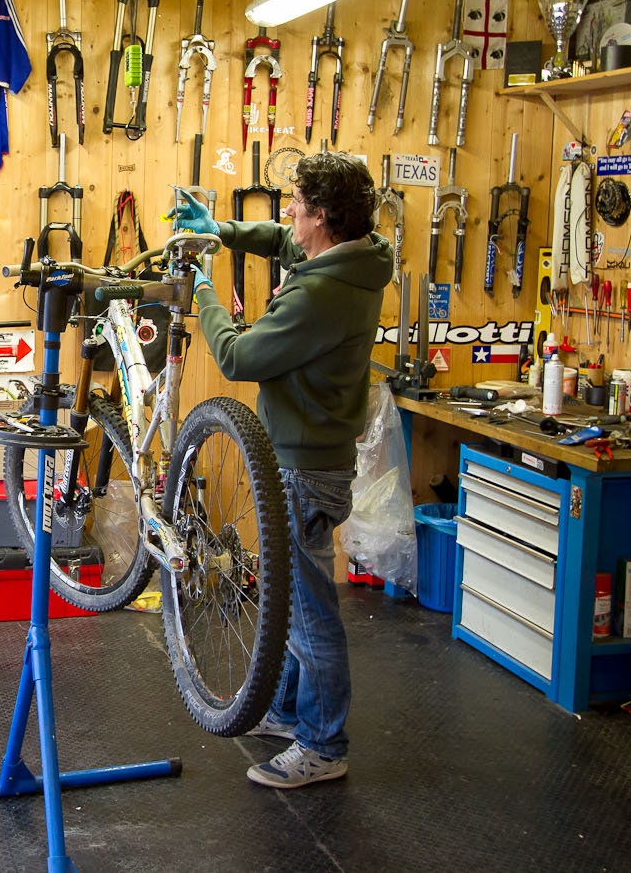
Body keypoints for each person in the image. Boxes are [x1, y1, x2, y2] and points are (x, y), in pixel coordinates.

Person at [169, 152, 391, 789]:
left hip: (301, 466)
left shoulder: (322, 293)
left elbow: (238, 356)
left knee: (307, 612)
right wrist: (223, 229)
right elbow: (279, 241)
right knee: (292, 597)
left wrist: (206, 287)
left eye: (296, 202)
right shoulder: (349, 259)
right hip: (309, 457)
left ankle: (324, 745)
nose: (287, 210)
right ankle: (293, 713)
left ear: (322, 215)